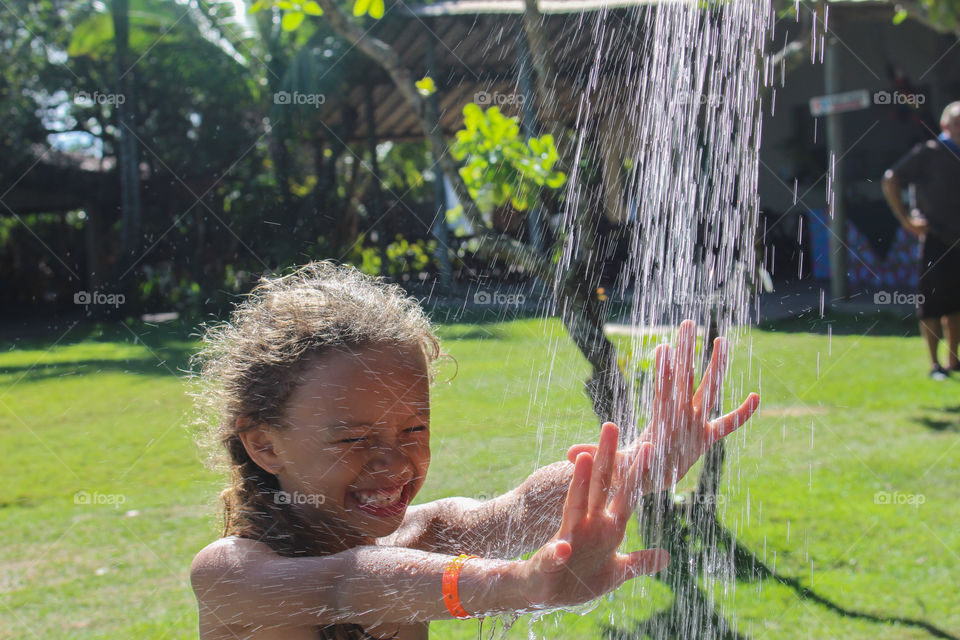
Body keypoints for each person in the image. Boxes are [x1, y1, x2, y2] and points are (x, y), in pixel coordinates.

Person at [189, 261, 760, 640]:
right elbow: (347, 583)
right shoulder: (232, 574)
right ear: (264, 443)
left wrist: (643, 462)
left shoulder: (419, 540)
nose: (393, 462)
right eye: (354, 438)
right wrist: (517, 584)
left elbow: (514, 510)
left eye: (413, 431)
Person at [882, 101, 960, 380]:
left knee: (956, 306)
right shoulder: (930, 153)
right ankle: (934, 364)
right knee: (932, 305)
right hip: (935, 239)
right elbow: (891, 179)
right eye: (957, 123)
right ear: (945, 126)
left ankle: (954, 360)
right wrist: (906, 220)